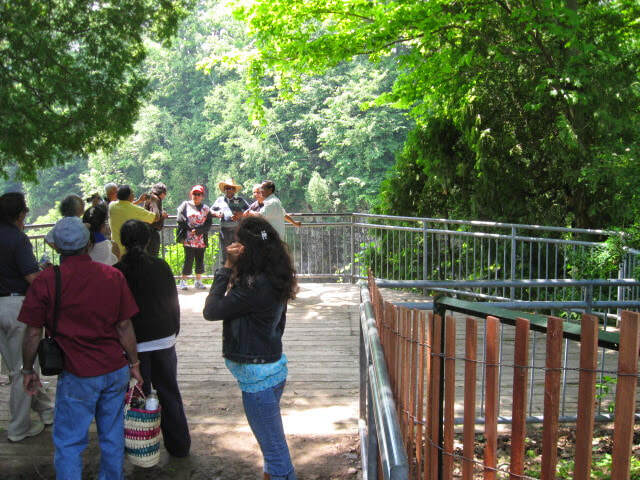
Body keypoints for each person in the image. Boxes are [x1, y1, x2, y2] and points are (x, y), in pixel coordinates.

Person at [19, 216, 143, 479]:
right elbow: (124, 326)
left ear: (55, 247)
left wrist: (28, 370)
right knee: (112, 434)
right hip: (114, 369)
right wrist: (134, 363)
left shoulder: (46, 280)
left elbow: (33, 332)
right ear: (88, 244)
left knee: (69, 441)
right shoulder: (112, 275)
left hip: (77, 373)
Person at [203, 216, 298, 480]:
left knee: (277, 457)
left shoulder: (252, 286)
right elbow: (279, 324)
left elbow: (211, 311)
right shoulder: (276, 276)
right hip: (272, 367)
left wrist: (226, 267)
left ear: (247, 249)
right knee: (271, 450)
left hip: (258, 379)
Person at [114, 220, 191, 457]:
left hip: (133, 345)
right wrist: (173, 330)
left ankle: (140, 448)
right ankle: (179, 447)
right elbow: (172, 302)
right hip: (163, 339)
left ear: (122, 242)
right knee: (169, 392)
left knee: (136, 396)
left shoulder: (116, 271)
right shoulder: (161, 266)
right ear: (148, 240)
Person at [0, 192, 54, 442]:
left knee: (17, 367)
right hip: (16, 307)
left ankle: (46, 410)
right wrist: (47, 276)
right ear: (20, 214)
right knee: (24, 368)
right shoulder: (17, 239)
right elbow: (31, 277)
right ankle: (18, 428)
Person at [176, 185, 212, 290]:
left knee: (200, 260)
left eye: (198, 194)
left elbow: (208, 223)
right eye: (194, 194)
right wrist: (190, 228)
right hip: (188, 238)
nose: (196, 196)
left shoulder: (206, 208)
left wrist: (199, 230)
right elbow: (180, 219)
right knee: (189, 259)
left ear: (202, 196)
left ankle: (198, 281)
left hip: (201, 239)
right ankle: (183, 281)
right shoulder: (185, 205)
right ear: (191, 194)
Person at [108, 185, 156, 258]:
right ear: (129, 196)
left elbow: (125, 206)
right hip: (129, 252)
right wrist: (154, 202)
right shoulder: (135, 210)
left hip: (115, 250)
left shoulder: (111, 206)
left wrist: (139, 201)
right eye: (132, 193)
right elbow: (154, 218)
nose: (133, 194)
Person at [211, 178, 250, 262]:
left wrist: (241, 214)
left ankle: (237, 269)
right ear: (224, 189)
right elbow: (210, 211)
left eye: (231, 188)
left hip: (237, 231)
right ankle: (226, 269)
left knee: (238, 252)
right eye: (227, 188)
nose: (229, 190)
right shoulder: (220, 200)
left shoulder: (239, 200)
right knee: (225, 253)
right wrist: (216, 213)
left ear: (234, 190)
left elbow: (250, 211)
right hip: (224, 231)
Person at [144, 182, 169, 257]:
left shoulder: (150, 198)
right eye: (165, 193)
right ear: (162, 193)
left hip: (146, 231)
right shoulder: (155, 199)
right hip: (152, 232)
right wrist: (162, 215)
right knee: (153, 256)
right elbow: (155, 215)